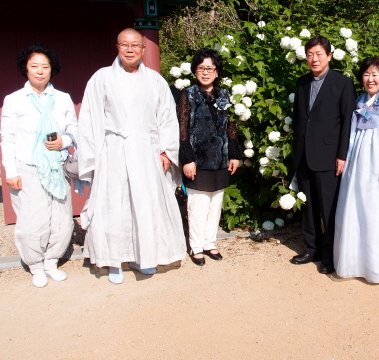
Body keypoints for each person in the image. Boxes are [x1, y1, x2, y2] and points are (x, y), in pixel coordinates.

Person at [78, 28, 186, 284]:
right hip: (112, 151)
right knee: (114, 206)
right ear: (117, 46)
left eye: (135, 45)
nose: (130, 49)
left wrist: (166, 151)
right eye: (125, 44)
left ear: (143, 49)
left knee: (145, 205)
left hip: (146, 152)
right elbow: (89, 119)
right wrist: (93, 157)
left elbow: (168, 119)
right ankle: (114, 261)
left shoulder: (155, 80)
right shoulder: (101, 78)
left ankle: (144, 257)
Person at [1, 44, 77, 288]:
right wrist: (10, 172)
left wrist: (64, 141)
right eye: (34, 66)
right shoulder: (14, 100)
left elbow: (74, 129)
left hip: (57, 166)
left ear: (52, 69)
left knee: (62, 218)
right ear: (26, 69)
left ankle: (51, 261)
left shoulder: (63, 98)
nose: (40, 71)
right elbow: (7, 138)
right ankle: (35, 265)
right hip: (28, 166)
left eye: (45, 66)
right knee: (32, 219)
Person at [333, 57, 379, 283]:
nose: (370, 79)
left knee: (378, 210)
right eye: (366, 74)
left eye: (375, 74)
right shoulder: (359, 101)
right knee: (354, 207)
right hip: (357, 160)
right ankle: (354, 261)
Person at [291, 35, 355, 274]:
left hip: (329, 156)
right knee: (308, 206)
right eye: (310, 54)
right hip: (304, 154)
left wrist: (342, 155)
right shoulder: (301, 82)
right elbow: (299, 118)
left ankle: (330, 254)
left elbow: (348, 120)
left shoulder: (342, 83)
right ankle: (311, 248)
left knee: (329, 208)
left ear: (329, 56)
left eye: (319, 54)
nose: (314, 59)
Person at [177, 48, 241, 266]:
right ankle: (196, 246)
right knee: (198, 205)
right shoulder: (188, 95)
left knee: (215, 203)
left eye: (210, 68)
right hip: (198, 159)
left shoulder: (225, 95)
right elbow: (183, 129)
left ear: (217, 71)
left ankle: (209, 243)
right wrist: (187, 158)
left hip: (221, 158)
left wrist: (234, 154)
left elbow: (230, 127)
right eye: (201, 68)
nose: (206, 72)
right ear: (195, 70)